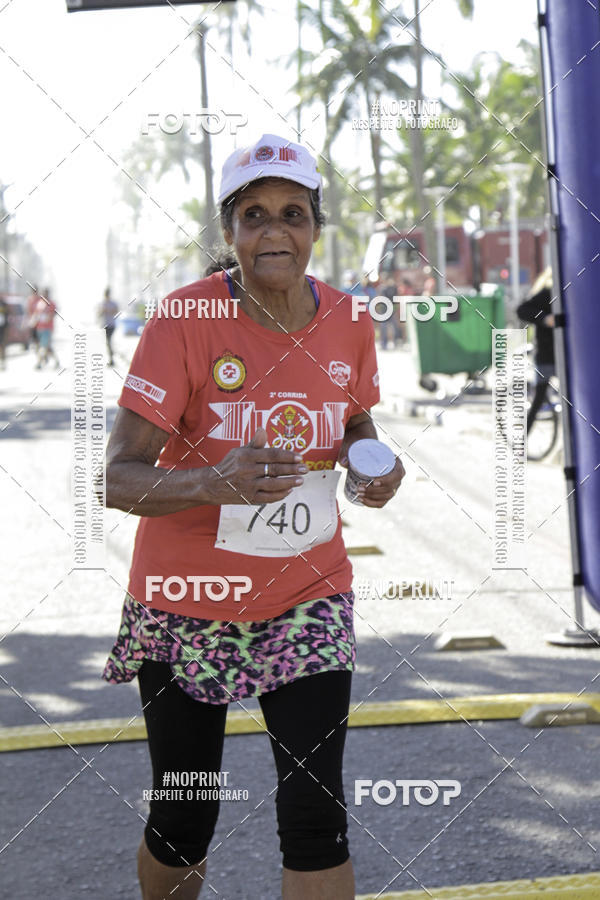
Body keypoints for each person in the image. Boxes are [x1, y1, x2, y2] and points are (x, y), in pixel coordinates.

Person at [102, 132, 405, 900]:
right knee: (185, 813)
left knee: (315, 815)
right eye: (255, 215)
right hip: (186, 601)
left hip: (306, 595)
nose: (275, 231)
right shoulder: (184, 319)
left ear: (314, 226)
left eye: (293, 213)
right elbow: (115, 477)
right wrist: (215, 479)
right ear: (231, 230)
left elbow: (354, 420)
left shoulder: (347, 319)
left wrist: (372, 462)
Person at [516, 266, 555, 431]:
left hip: (558, 355)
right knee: (539, 398)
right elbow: (522, 310)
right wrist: (545, 319)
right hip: (547, 354)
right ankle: (522, 442)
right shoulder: (548, 293)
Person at [33, 287, 60, 369]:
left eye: (46, 293)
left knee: (43, 346)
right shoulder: (40, 303)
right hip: (39, 328)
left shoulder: (51, 303)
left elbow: (55, 313)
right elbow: (36, 315)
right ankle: (56, 360)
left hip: (47, 329)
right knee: (46, 347)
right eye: (44, 293)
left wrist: (50, 316)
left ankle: (39, 363)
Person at [98, 286, 119, 366]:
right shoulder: (102, 303)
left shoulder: (113, 303)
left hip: (111, 325)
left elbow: (116, 311)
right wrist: (102, 311)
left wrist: (109, 311)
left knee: (109, 342)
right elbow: (99, 314)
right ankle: (111, 357)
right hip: (104, 325)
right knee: (107, 342)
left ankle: (112, 359)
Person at [0, 295, 8, 368]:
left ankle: (3, 363)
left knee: (2, 345)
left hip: (2, 328)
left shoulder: (3, 303)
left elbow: (7, 316)